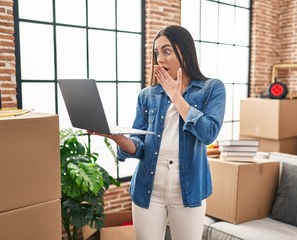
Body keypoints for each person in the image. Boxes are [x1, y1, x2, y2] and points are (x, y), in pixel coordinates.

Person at [91, 25, 226, 240]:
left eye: (166, 51)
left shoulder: (212, 88)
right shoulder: (147, 96)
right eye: (156, 53)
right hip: (148, 188)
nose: (159, 60)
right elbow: (139, 145)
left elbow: (209, 133)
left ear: (185, 51)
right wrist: (119, 139)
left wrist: (176, 96)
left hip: (188, 190)